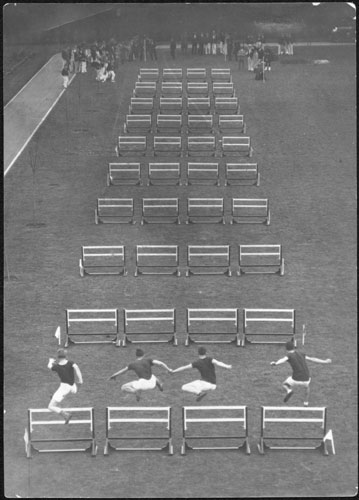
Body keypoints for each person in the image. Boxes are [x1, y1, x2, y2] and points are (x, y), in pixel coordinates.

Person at [271, 340, 332, 405]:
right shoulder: (301, 354)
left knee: (284, 384)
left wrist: (275, 363)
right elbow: (312, 359)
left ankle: (289, 390)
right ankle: (306, 402)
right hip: (306, 378)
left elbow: (283, 360)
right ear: (294, 347)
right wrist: (325, 361)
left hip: (295, 379)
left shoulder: (289, 355)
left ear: (286, 349)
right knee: (307, 387)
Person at [108, 348, 172, 401]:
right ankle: (159, 386)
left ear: (136, 356)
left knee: (123, 387)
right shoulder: (148, 360)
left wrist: (114, 375)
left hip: (142, 385)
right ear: (144, 355)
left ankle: (135, 391)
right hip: (152, 384)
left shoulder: (132, 364)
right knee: (153, 376)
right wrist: (169, 369)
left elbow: (123, 371)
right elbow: (160, 364)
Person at [48, 348, 83, 423]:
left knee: (50, 406)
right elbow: (77, 369)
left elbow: (49, 366)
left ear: (58, 357)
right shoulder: (71, 363)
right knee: (57, 395)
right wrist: (80, 380)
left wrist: (50, 361)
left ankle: (66, 415)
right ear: (65, 356)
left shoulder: (56, 367)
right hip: (72, 386)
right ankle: (56, 397)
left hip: (64, 388)